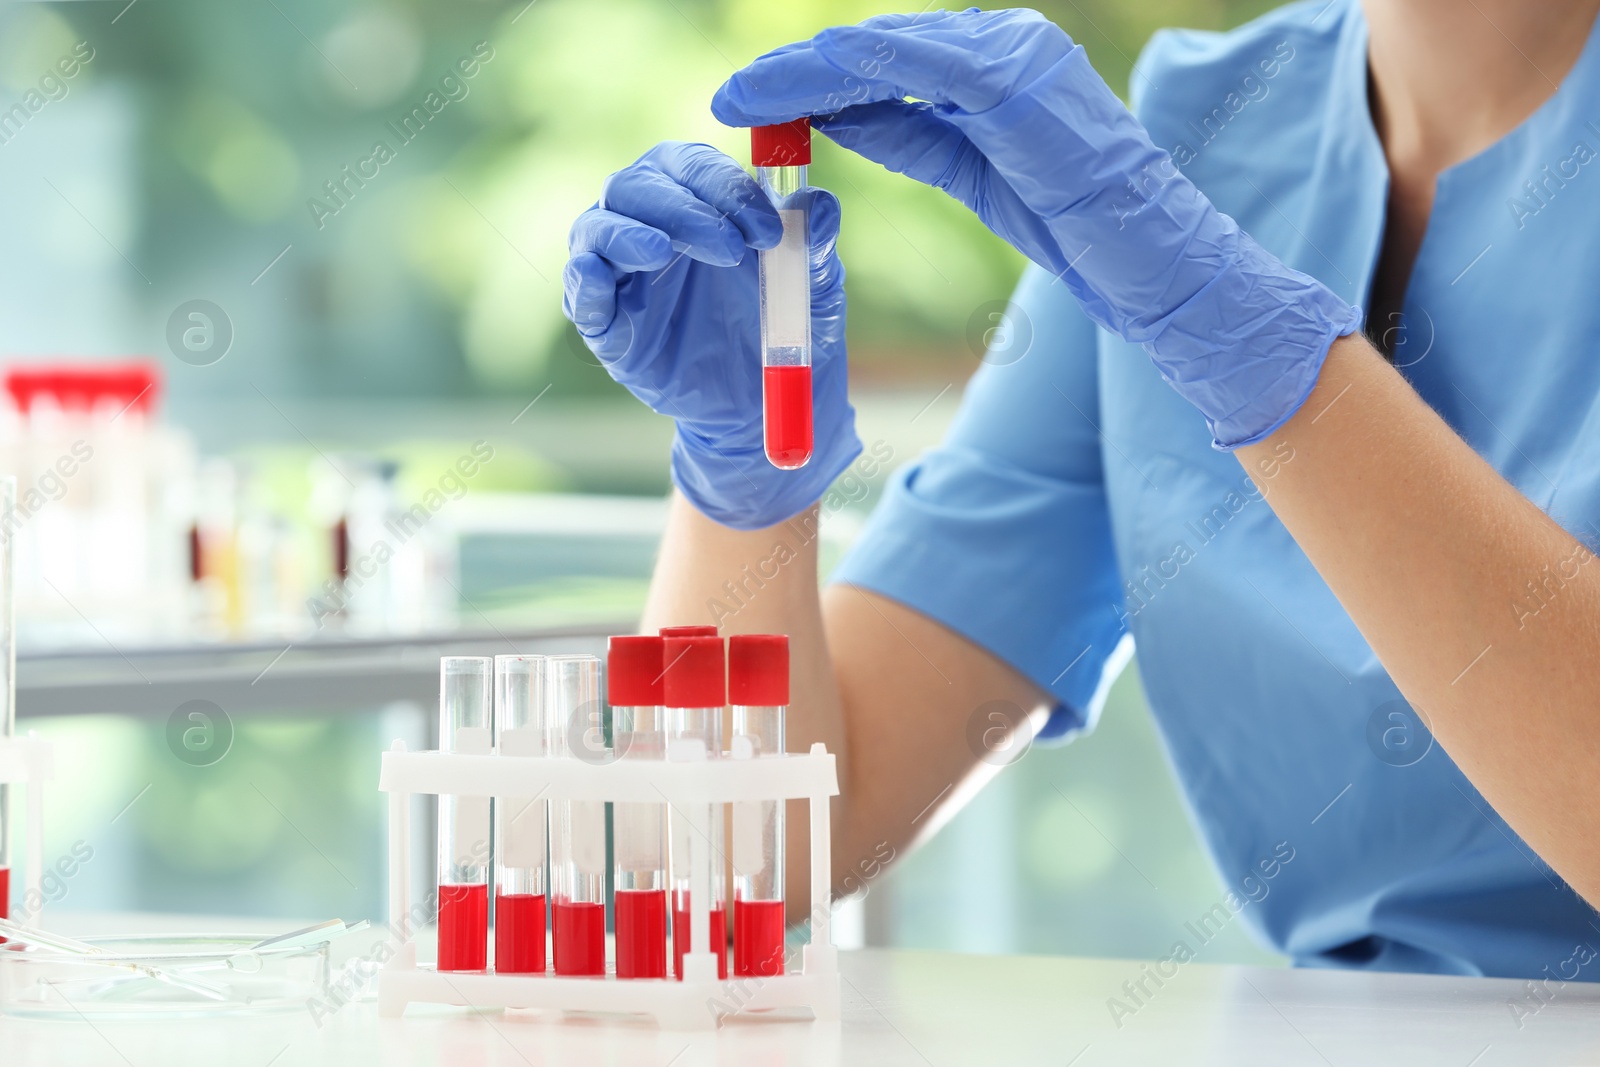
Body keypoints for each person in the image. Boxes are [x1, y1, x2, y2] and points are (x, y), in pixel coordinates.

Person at [562, 0, 1600, 978]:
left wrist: (1246, 344)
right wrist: (744, 476)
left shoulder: (1158, 223)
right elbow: (754, 859)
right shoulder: (1203, 129)